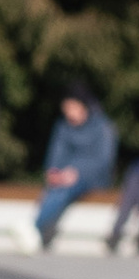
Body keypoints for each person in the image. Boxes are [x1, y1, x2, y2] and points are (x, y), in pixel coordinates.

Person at [36, 84, 118, 244]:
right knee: (54, 188)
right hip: (66, 177)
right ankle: (40, 229)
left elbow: (103, 161)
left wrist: (77, 173)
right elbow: (56, 154)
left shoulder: (102, 126)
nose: (69, 113)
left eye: (72, 107)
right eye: (66, 108)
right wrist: (53, 171)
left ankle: (34, 227)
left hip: (94, 178)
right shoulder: (63, 127)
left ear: (83, 106)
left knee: (64, 188)